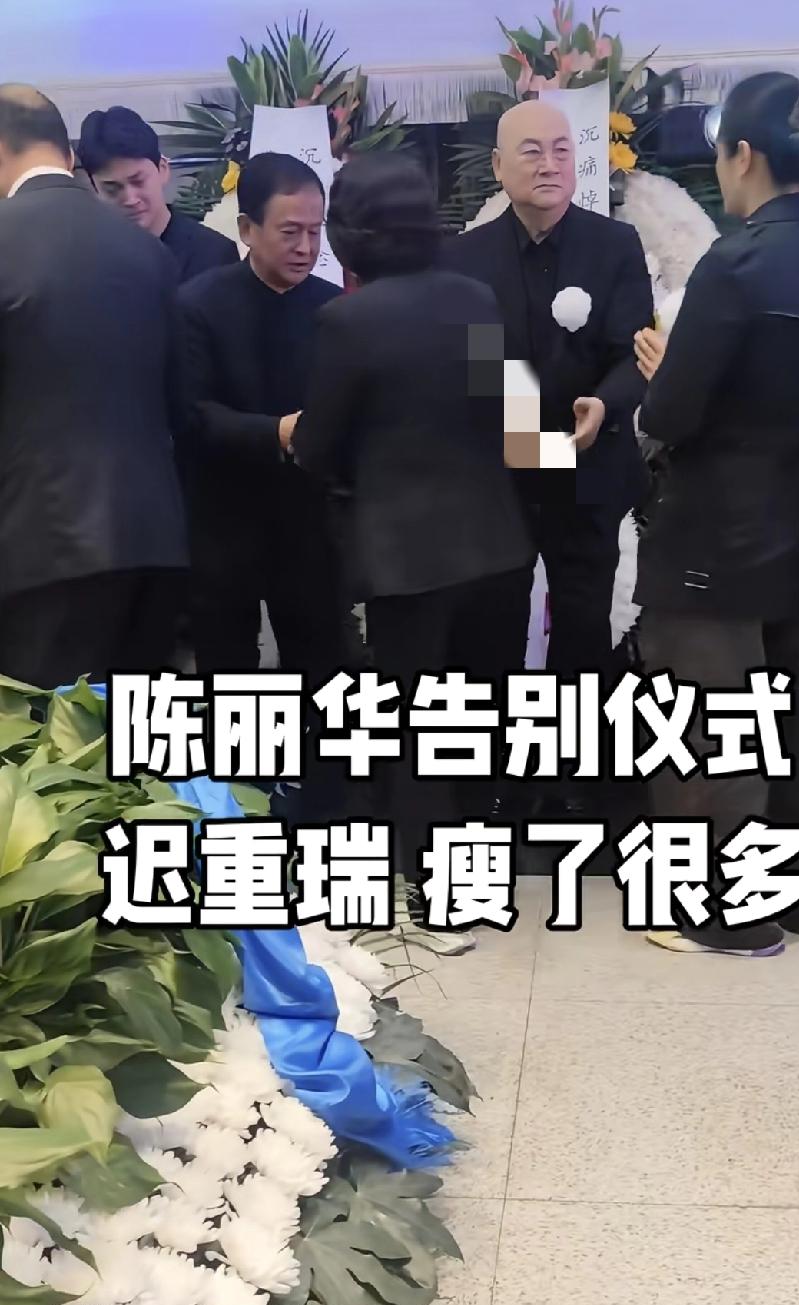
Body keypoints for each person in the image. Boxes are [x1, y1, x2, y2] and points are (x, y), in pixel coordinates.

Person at [633, 72, 799, 958]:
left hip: (715, 528)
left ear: (745, 155)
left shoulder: (736, 262)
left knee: (708, 713)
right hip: (796, 513)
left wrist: (662, 371)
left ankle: (726, 909)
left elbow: (672, 414)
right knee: (790, 703)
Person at [292, 152, 533, 950]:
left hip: (404, 557)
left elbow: (317, 447)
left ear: (351, 233)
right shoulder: (475, 299)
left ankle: (437, 901)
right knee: (474, 717)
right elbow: (518, 424)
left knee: (417, 728)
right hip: (495, 543)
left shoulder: (348, 322)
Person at [445, 99, 654, 693]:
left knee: (584, 630)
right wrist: (530, 441)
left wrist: (603, 404)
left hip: (590, 470)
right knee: (491, 631)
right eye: (532, 151)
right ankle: (497, 748)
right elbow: (476, 360)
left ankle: (574, 750)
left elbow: (633, 352)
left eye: (562, 150)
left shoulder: (615, 244)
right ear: (498, 165)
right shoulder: (464, 257)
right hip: (502, 478)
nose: (550, 164)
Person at [0, 84, 188, 689]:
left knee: (46, 737)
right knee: (137, 732)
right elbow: (179, 402)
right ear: (68, 154)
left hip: (37, 545)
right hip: (153, 538)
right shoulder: (148, 253)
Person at [179, 152, 350, 685]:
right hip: (222, 519)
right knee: (229, 672)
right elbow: (189, 414)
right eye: (290, 232)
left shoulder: (335, 309)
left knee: (321, 666)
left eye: (316, 231)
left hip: (310, 524)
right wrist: (274, 432)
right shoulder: (198, 305)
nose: (306, 248)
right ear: (247, 229)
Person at [77, 105, 238, 283]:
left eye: (138, 181)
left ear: (162, 169)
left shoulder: (214, 254)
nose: (130, 199)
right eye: (112, 189)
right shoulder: (88, 263)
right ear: (94, 188)